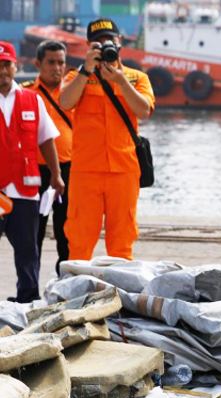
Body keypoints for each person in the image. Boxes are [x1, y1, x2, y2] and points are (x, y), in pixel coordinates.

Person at [60, 17, 154, 261]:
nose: (105, 46)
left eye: (109, 40)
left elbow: (144, 110)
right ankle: (78, 284)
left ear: (119, 42)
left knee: (122, 243)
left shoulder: (136, 78)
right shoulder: (77, 76)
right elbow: (65, 102)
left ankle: (121, 286)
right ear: (89, 46)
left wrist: (121, 81)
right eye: (99, 43)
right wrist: (86, 70)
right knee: (79, 241)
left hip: (124, 170)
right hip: (85, 171)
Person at [0, 41, 64, 302]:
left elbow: (46, 139)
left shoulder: (32, 100)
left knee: (28, 249)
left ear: (16, 66)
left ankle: (27, 299)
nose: (3, 70)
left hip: (24, 190)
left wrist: (56, 175)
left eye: (7, 64)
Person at [21, 40, 72, 274]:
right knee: (32, 232)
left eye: (61, 62)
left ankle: (66, 283)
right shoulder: (26, 93)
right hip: (34, 172)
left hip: (69, 170)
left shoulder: (72, 93)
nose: (57, 67)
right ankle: (30, 286)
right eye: (51, 62)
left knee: (67, 233)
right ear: (38, 64)